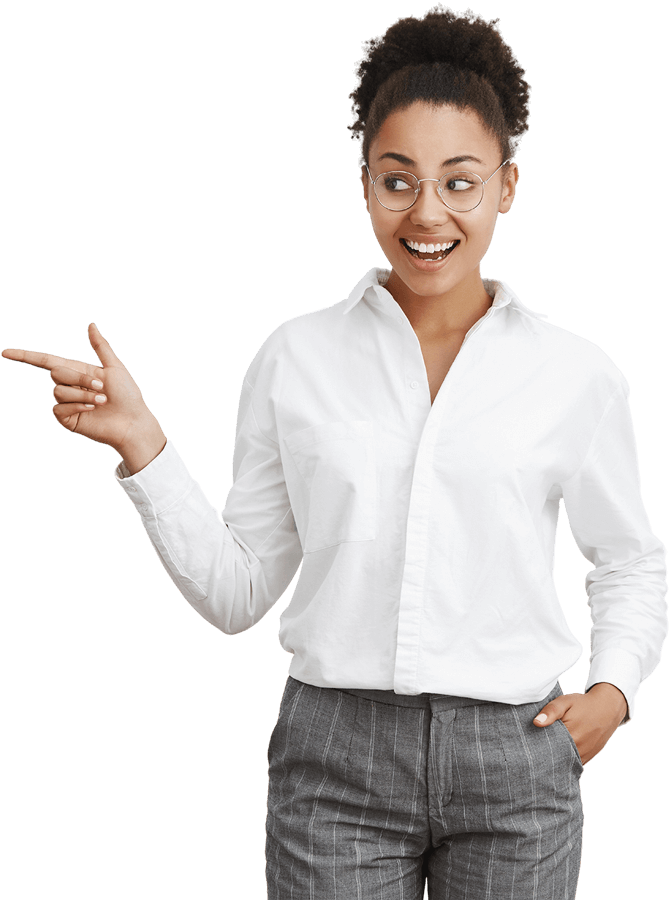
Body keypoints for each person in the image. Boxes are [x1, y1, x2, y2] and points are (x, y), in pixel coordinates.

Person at [3, 6, 667, 899]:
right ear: (363, 185)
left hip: (517, 754)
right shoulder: (296, 357)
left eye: (459, 182)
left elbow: (626, 560)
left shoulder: (574, 374)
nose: (426, 213)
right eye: (397, 181)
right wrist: (142, 444)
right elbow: (237, 594)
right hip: (334, 761)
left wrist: (614, 692)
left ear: (507, 185)